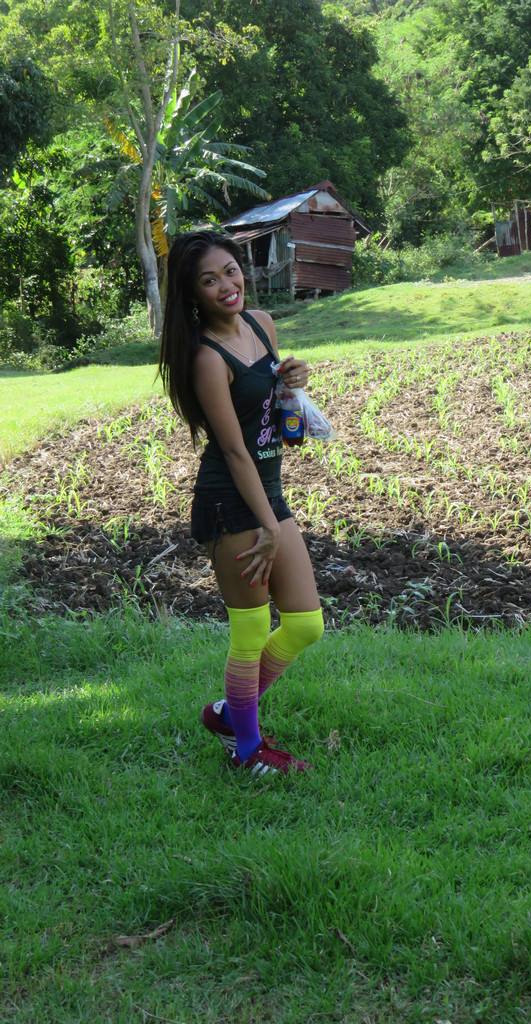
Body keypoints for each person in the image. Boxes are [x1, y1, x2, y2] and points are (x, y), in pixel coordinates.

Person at [159, 230, 324, 775]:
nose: (226, 285)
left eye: (230, 270)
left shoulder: (261, 324)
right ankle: (247, 752)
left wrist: (293, 381)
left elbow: (272, 415)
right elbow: (232, 450)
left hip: (267, 490)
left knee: (305, 624)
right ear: (193, 294)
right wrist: (268, 526)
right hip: (230, 501)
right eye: (209, 280)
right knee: (251, 631)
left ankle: (231, 714)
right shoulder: (207, 358)